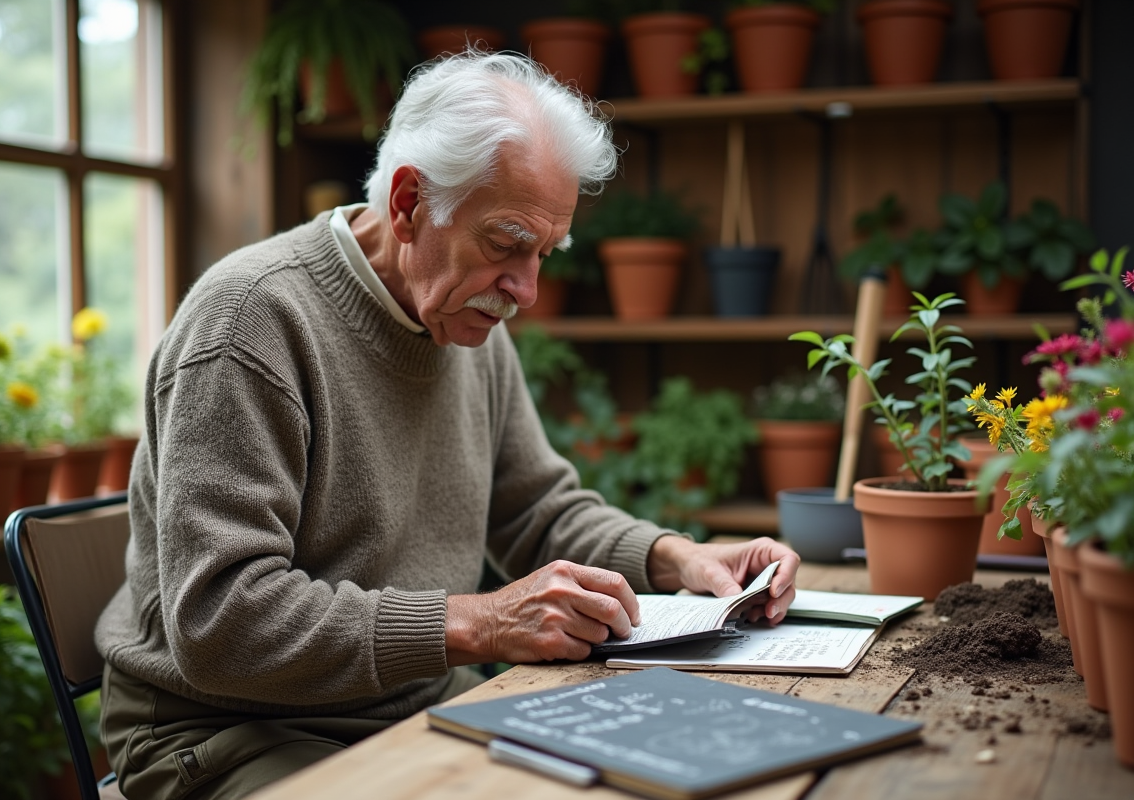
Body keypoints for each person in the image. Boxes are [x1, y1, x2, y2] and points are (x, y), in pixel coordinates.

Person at [95, 50, 800, 800]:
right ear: (407, 204)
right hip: (223, 734)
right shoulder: (249, 322)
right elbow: (221, 621)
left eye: (544, 254)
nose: (526, 290)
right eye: (506, 244)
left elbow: (535, 509)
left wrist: (679, 560)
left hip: (412, 706)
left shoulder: (468, 325)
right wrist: (482, 623)